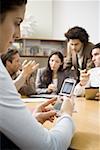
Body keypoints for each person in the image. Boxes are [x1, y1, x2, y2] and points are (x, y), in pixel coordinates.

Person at [0, 0, 75, 150]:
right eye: (17, 22)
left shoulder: (66, 73)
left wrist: (29, 122)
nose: (19, 34)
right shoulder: (41, 72)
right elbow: (50, 147)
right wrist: (66, 114)